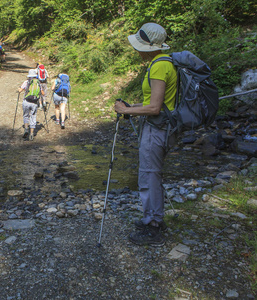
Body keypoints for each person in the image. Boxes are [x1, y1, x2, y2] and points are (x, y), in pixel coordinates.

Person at [114, 23, 177, 246]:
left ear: (149, 47)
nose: (136, 49)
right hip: (161, 128)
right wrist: (133, 106)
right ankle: (155, 217)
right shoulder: (165, 62)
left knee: (148, 176)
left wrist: (125, 110)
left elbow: (155, 108)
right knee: (153, 174)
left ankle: (154, 228)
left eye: (139, 45)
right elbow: (156, 103)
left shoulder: (159, 66)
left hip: (157, 129)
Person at [18, 69, 44, 141]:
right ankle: (32, 133)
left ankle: (26, 129)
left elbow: (20, 90)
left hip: (26, 101)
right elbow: (42, 93)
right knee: (33, 117)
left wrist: (19, 89)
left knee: (26, 115)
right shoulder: (38, 83)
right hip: (34, 103)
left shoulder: (27, 82)